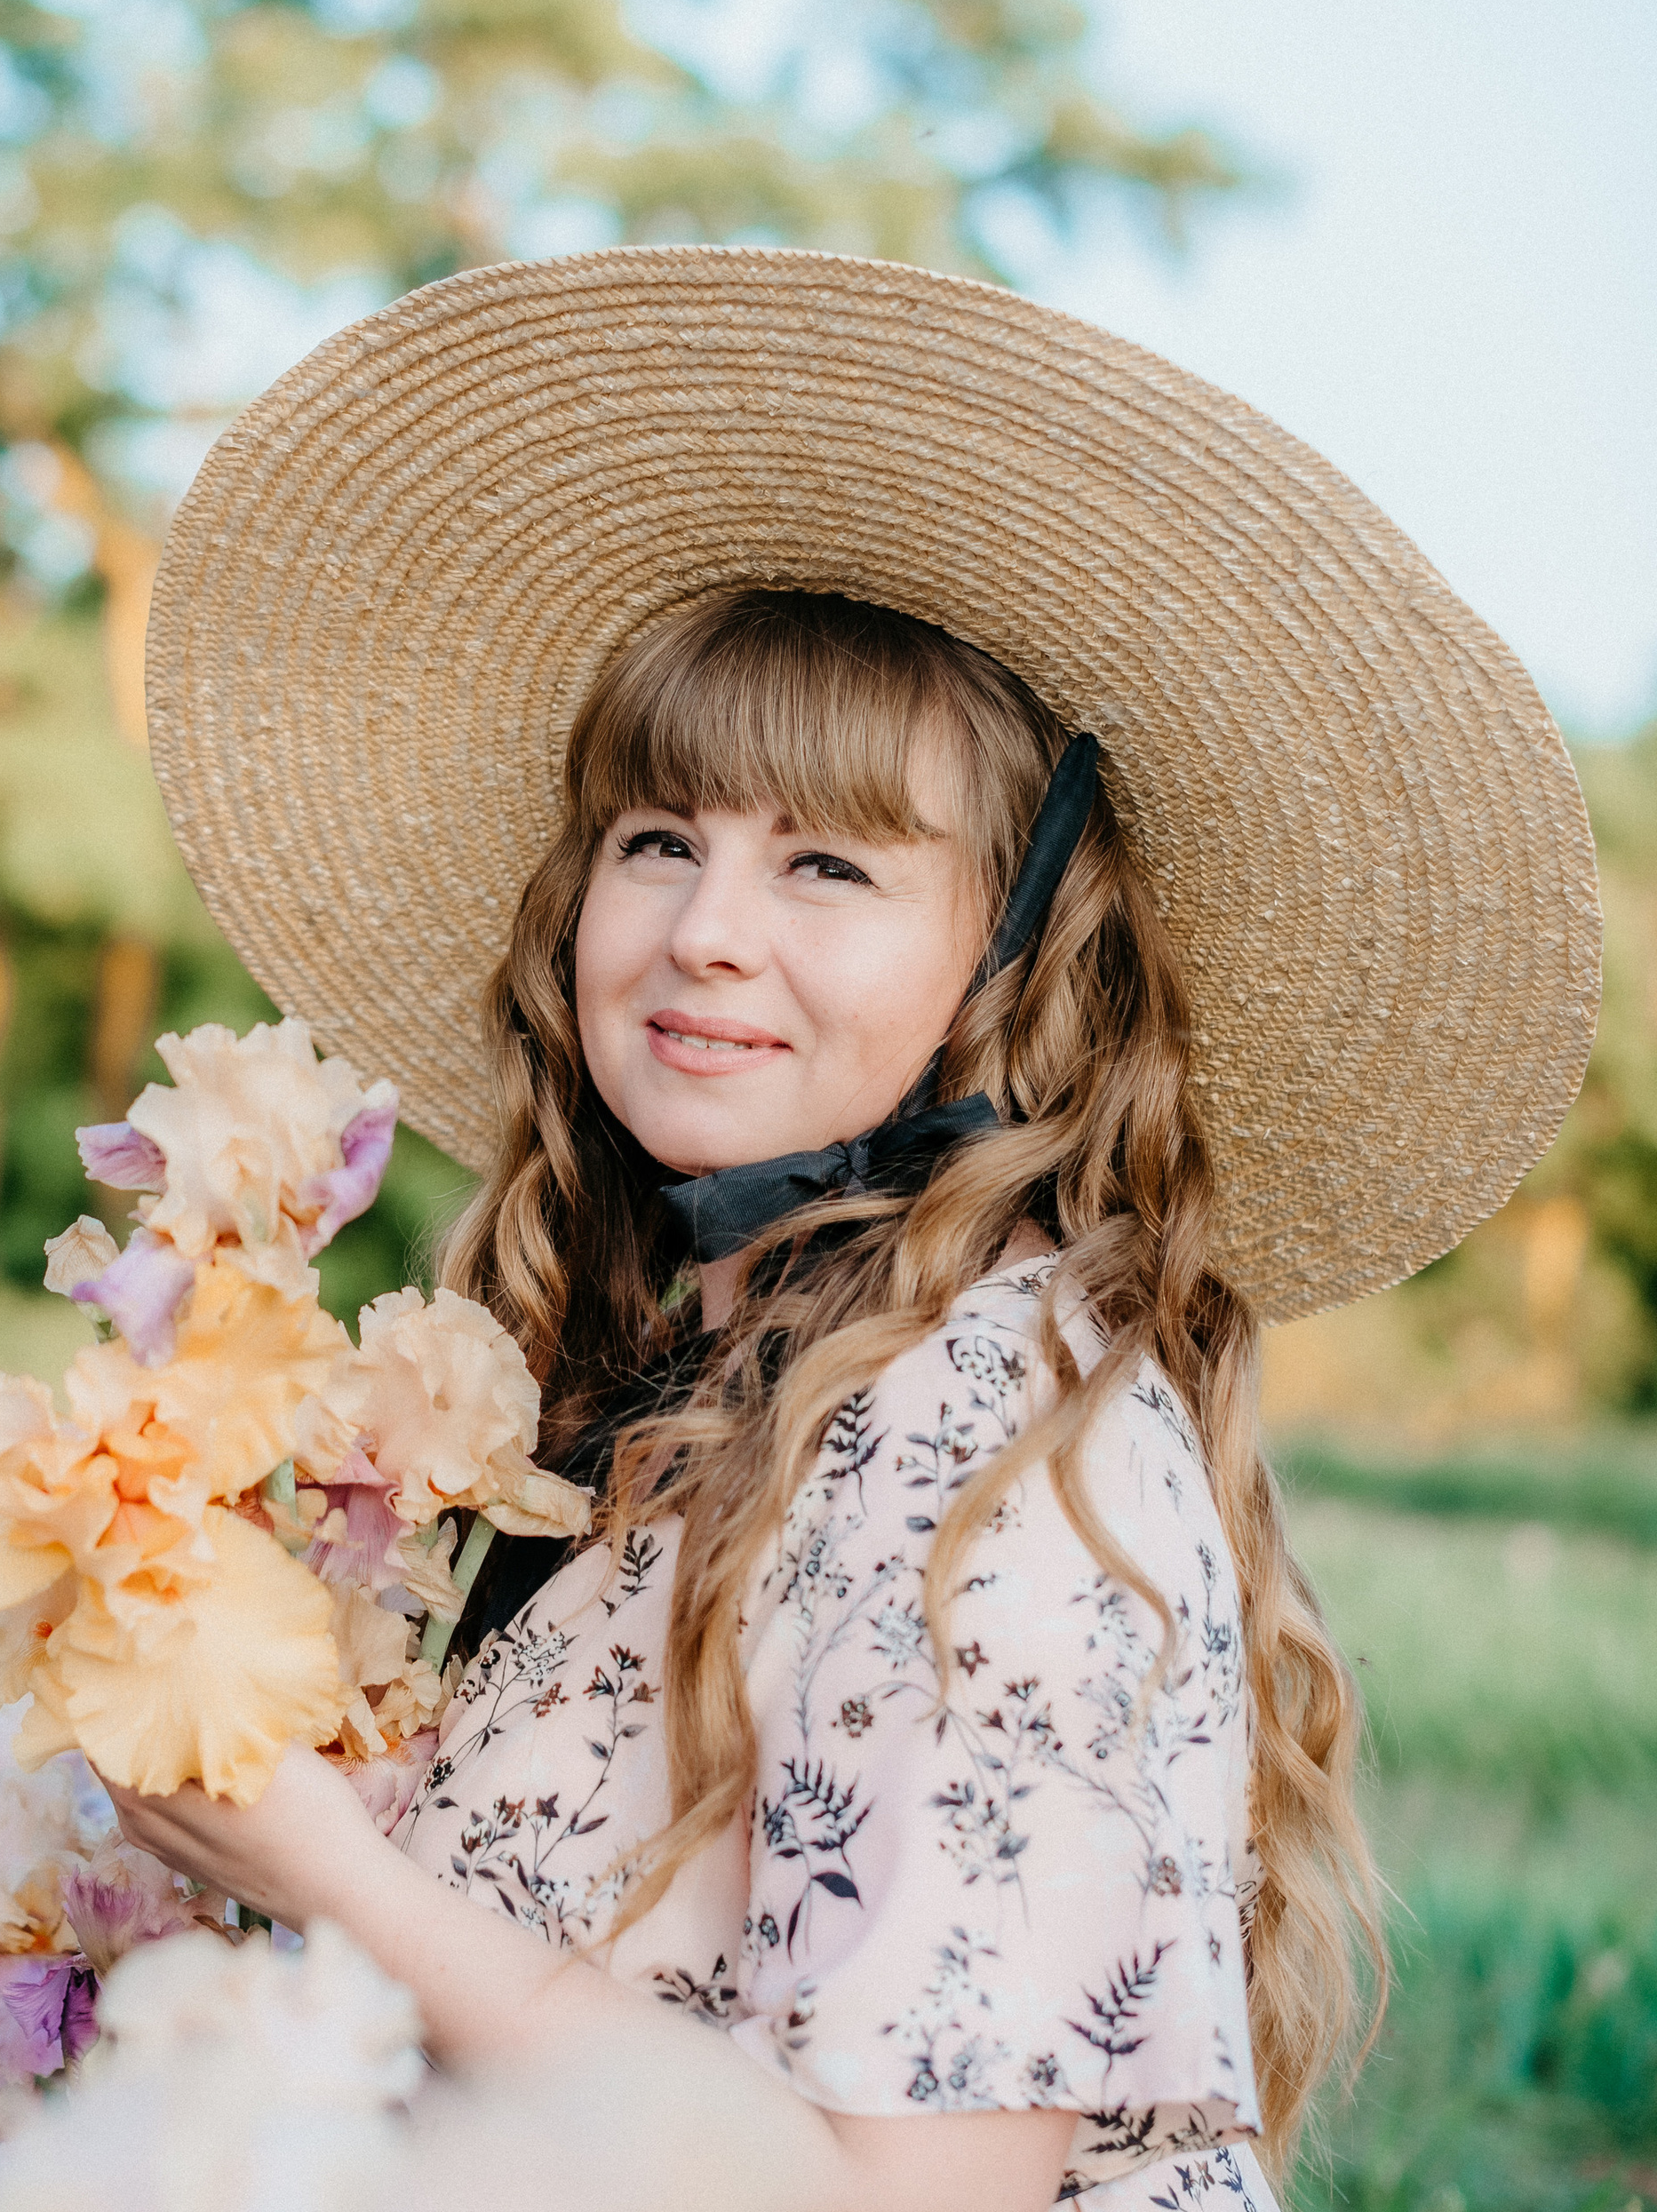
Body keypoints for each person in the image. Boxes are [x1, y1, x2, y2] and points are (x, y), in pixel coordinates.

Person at [112, 250, 1600, 2211]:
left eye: (824, 861)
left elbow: (914, 2185)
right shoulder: (705, 1385)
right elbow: (669, 1951)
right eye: (658, 838)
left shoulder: (995, 1426)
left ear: (1010, 962)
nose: (706, 925)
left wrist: (347, 1885)